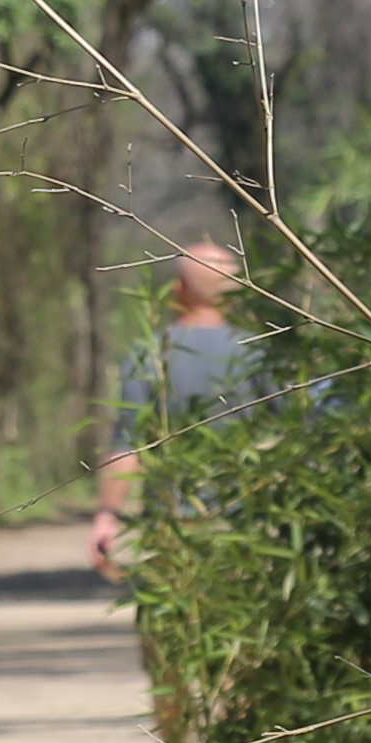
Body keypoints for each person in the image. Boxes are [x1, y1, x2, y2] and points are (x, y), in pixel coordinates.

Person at [89, 241, 249, 573]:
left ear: (177, 289)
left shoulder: (150, 355)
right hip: (248, 523)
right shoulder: (259, 353)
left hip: (171, 524)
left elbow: (128, 445)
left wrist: (108, 515)